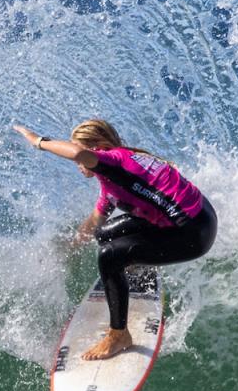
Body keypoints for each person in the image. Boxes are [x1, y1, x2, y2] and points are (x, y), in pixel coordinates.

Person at [12, 118, 218, 360]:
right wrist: (69, 248)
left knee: (109, 255)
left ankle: (119, 335)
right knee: (105, 235)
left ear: (97, 148)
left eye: (81, 158)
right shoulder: (113, 178)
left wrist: (37, 141)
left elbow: (78, 152)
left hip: (192, 234)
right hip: (196, 215)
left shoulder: (116, 161)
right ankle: (139, 267)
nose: (78, 164)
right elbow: (94, 224)